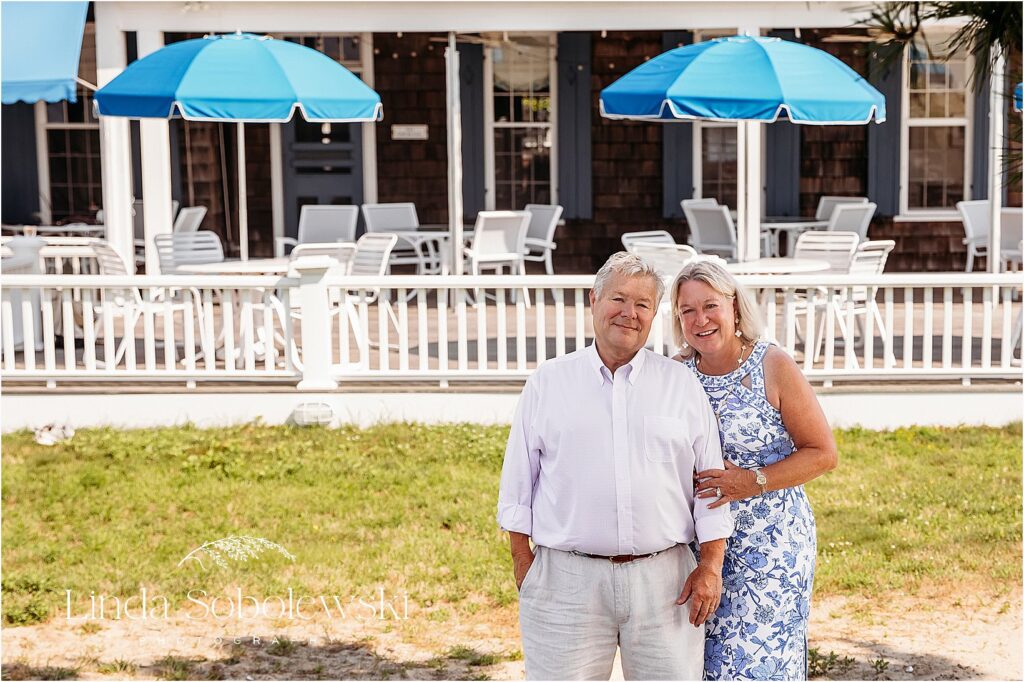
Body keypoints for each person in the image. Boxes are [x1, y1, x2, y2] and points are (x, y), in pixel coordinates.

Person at [497, 251, 734, 680]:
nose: (630, 313)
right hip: (565, 581)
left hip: (666, 584)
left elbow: (710, 485)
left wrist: (711, 567)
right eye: (619, 299)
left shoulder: (680, 385)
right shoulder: (548, 382)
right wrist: (523, 564)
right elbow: (518, 483)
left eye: (643, 305)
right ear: (593, 300)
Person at [669, 259, 838, 681]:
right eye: (687, 310)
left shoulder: (771, 365)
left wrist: (751, 481)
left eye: (710, 306)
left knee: (758, 664)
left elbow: (822, 452)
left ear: (735, 307)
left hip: (771, 546)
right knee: (703, 664)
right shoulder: (675, 373)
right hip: (700, 545)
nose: (700, 319)